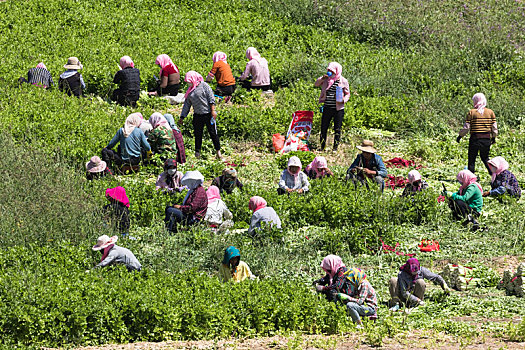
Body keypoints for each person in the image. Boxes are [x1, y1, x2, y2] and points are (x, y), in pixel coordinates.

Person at [314, 256, 377, 328]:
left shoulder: (364, 284)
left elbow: (360, 301)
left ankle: (359, 324)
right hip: (363, 306)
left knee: (350, 305)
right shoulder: (358, 284)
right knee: (348, 305)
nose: (351, 282)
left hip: (370, 308)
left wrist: (347, 297)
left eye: (352, 280)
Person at [179, 71, 222, 159]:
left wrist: (213, 111)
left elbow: (211, 98)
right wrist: (182, 117)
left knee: (213, 133)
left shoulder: (204, 86)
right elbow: (187, 105)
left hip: (208, 114)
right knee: (198, 135)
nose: (188, 83)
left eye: (189, 81)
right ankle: (197, 154)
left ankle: (218, 153)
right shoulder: (190, 91)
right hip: (197, 115)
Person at [457, 93, 498, 174]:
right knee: (485, 158)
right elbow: (494, 127)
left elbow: (467, 127)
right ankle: (493, 174)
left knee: (472, 159)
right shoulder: (490, 112)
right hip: (486, 139)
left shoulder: (472, 112)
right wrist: (493, 137)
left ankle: (470, 178)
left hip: (475, 139)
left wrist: (460, 136)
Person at [314, 62, 351, 151]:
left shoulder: (343, 81)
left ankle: (335, 147)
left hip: (338, 109)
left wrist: (343, 100)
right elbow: (316, 84)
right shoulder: (326, 80)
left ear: (337, 71)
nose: (330, 72)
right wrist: (322, 78)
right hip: (327, 107)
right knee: (324, 127)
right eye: (329, 70)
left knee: (337, 128)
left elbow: (347, 94)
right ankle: (322, 146)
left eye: (332, 71)